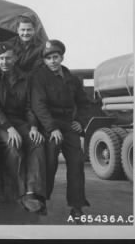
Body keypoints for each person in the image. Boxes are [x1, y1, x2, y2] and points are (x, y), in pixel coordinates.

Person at [31, 39, 91, 220]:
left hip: (69, 125)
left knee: (77, 162)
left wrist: (80, 121)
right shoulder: (39, 78)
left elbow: (84, 103)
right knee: (49, 161)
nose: (52, 61)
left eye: (55, 57)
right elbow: (39, 105)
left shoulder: (71, 78)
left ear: (62, 57)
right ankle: (42, 200)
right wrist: (52, 128)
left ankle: (77, 205)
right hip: (50, 125)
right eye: (48, 58)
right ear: (44, 60)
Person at [0, 42, 47, 214]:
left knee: (37, 143)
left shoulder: (25, 78)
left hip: (20, 121)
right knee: (13, 146)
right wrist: (9, 128)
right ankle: (18, 193)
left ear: (16, 58)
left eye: (8, 58)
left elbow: (29, 106)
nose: (5, 62)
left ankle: (31, 192)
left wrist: (34, 127)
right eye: (1, 58)